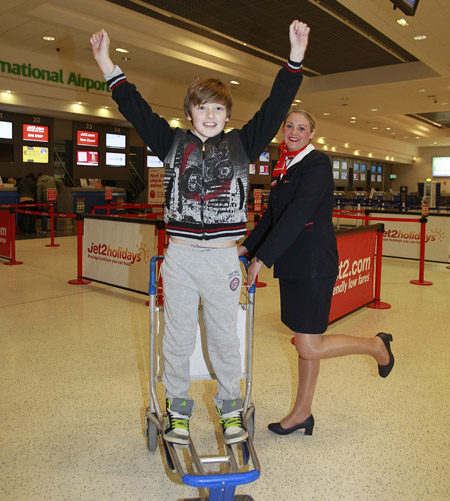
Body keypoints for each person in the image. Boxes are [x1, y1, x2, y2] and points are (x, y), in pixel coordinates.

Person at [90, 21, 310, 446]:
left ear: (228, 116)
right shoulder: (171, 143)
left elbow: (276, 106)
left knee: (225, 339)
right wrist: (107, 65)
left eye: (218, 109)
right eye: (203, 108)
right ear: (189, 114)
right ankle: (177, 410)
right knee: (177, 337)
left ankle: (230, 408)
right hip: (181, 258)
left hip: (223, 259)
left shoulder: (243, 145)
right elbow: (136, 109)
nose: (210, 116)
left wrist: (295, 60)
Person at [238, 109, 395, 436]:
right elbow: (273, 218)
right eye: (289, 126)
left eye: (302, 127)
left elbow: (297, 214)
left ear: (311, 133)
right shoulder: (284, 167)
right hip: (292, 265)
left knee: (309, 346)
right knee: (306, 342)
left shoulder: (317, 164)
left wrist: (261, 258)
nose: (294, 132)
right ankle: (302, 413)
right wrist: (246, 247)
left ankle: (376, 346)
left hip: (313, 265)